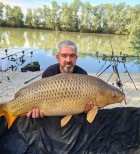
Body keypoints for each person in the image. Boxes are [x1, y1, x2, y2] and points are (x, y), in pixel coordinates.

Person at [27, 40, 93, 118]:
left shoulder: (83, 75)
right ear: (58, 58)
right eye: (64, 55)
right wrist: (36, 111)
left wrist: (87, 110)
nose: (68, 60)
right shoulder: (49, 73)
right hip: (52, 116)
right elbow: (40, 98)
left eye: (72, 56)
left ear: (76, 58)